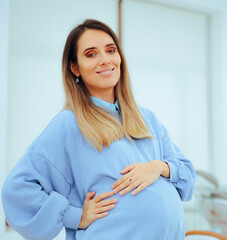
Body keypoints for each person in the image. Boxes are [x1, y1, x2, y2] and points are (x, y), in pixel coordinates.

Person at [2, 19, 196, 240]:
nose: (105, 60)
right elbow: (16, 190)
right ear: (75, 68)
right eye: (91, 54)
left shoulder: (146, 118)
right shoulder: (69, 123)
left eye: (111, 50)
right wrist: (75, 216)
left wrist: (158, 167)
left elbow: (187, 177)